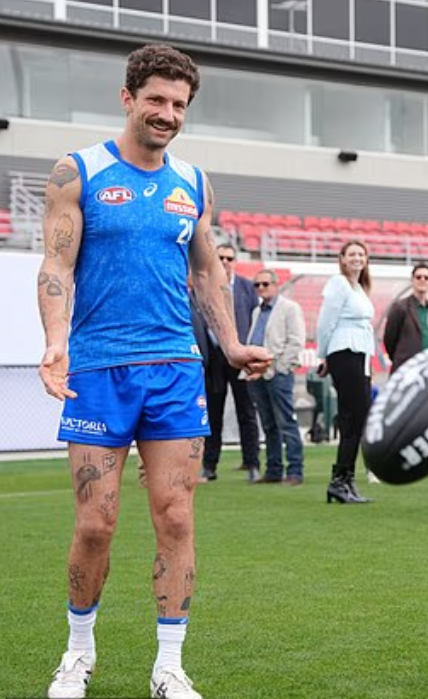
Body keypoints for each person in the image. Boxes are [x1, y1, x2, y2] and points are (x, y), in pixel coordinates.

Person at [36, 44, 271, 699]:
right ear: (128, 98)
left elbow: (206, 269)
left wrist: (230, 342)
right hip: (99, 370)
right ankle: (78, 652)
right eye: (157, 101)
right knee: (95, 522)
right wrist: (56, 339)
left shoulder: (193, 185)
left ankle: (168, 665)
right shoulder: (75, 172)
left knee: (176, 516)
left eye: (179, 104)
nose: (167, 113)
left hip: (176, 370)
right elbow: (56, 266)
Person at [189, 242, 260, 482]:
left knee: (247, 412)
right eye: (221, 257)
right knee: (212, 414)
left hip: (239, 356)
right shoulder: (201, 286)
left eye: (230, 258)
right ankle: (210, 466)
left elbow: (255, 319)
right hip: (213, 357)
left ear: (235, 261)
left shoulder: (247, 288)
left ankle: (252, 464)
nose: (225, 262)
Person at [384, 262, 428, 493]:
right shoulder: (400, 308)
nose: (422, 281)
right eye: (418, 277)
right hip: (409, 374)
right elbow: (390, 342)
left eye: (426, 277)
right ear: (412, 280)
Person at [316, 240, 375, 505]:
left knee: (357, 419)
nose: (357, 258)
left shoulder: (360, 288)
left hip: (359, 353)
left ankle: (344, 478)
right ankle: (340, 479)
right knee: (354, 416)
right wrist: (323, 354)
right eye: (351, 254)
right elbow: (326, 321)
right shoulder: (339, 284)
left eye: (361, 254)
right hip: (345, 351)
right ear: (341, 258)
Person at [247, 269, 306, 485]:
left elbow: (296, 340)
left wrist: (280, 367)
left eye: (265, 284)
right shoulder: (257, 311)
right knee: (269, 425)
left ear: (275, 285)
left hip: (277, 373)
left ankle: (295, 470)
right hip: (257, 374)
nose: (261, 288)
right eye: (257, 285)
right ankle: (273, 469)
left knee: (286, 422)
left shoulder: (289, 308)